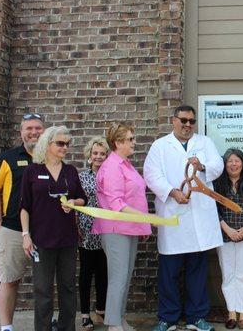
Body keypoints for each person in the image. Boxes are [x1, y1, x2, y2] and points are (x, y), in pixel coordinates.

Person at [144, 105, 224, 331]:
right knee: (169, 272)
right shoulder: (160, 146)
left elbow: (218, 165)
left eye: (191, 121)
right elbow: (151, 174)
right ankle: (167, 318)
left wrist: (203, 166)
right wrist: (172, 192)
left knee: (197, 272)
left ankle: (196, 318)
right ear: (174, 120)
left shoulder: (205, 142)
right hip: (173, 215)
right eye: (184, 120)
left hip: (199, 215)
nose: (188, 125)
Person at [20, 126, 87, 331]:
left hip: (67, 239)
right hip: (41, 240)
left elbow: (83, 198)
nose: (65, 147)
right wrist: (25, 235)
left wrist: (74, 203)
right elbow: (24, 207)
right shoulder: (32, 170)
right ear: (47, 144)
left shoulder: (70, 171)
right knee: (43, 289)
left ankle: (67, 327)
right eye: (60, 143)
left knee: (67, 287)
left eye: (67, 144)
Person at [0, 112, 45, 331]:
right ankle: (6, 327)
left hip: (43, 230)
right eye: (29, 128)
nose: (33, 132)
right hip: (11, 229)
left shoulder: (50, 158)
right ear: (21, 132)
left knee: (45, 283)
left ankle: (44, 325)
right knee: (9, 280)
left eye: (38, 128)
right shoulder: (8, 158)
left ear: (44, 131)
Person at [92, 122, 152, 331]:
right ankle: (113, 325)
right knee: (118, 277)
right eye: (130, 139)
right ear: (118, 143)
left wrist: (142, 224)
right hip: (116, 228)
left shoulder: (125, 164)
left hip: (131, 228)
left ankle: (118, 318)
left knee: (125, 277)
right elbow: (117, 204)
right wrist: (146, 218)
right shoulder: (111, 167)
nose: (134, 142)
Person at [214, 148, 243, 330]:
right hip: (225, 236)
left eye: (237, 161)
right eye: (229, 161)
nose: (233, 164)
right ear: (224, 165)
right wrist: (227, 229)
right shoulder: (218, 186)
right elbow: (214, 211)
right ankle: (231, 312)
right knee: (228, 275)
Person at [77, 136, 110, 329]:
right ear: (89, 156)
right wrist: (76, 227)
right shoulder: (82, 177)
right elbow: (75, 202)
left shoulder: (111, 175)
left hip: (107, 229)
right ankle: (84, 313)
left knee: (103, 272)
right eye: (95, 153)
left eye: (102, 153)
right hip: (87, 230)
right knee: (86, 273)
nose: (98, 156)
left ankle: (100, 310)